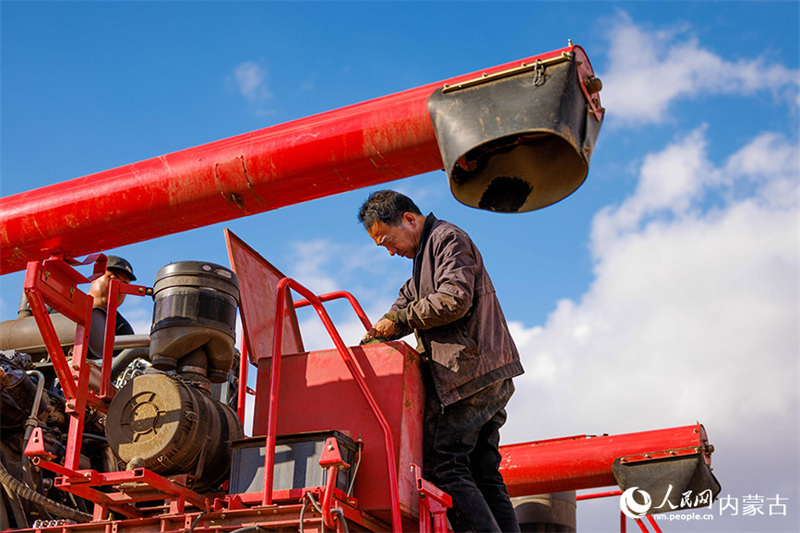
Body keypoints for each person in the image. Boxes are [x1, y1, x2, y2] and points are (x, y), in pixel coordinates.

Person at [358, 190, 523, 533]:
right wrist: (376, 334)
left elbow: (454, 299)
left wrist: (400, 320)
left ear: (408, 219)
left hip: (468, 374)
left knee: (443, 463)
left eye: (388, 241)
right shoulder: (422, 265)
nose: (390, 251)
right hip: (485, 373)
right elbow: (401, 305)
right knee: (483, 473)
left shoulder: (447, 239)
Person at [87, 255, 136, 353]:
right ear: (95, 278)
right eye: (113, 278)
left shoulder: (122, 329)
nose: (117, 286)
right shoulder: (63, 305)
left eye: (124, 284)